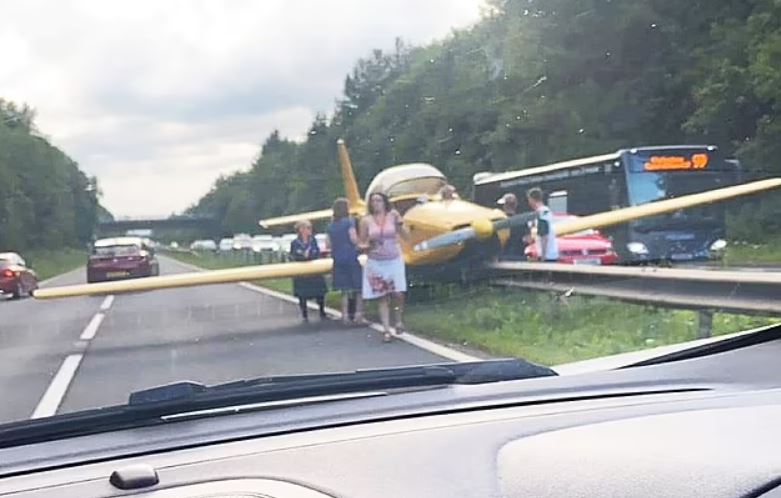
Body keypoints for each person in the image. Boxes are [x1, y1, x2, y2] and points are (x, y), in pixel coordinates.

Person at [359, 192, 409, 343]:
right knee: (382, 296)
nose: (376, 203)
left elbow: (406, 236)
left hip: (393, 259)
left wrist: (401, 225)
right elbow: (361, 244)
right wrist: (368, 243)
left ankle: (398, 319)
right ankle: (387, 330)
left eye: (379, 200)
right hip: (376, 262)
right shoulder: (365, 220)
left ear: (384, 202)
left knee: (398, 292)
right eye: (373, 201)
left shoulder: (393, 215)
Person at [326, 197, 367, 326]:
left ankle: (345, 316)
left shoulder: (330, 226)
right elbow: (353, 239)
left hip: (337, 258)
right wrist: (362, 244)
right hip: (350, 256)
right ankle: (358, 316)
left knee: (344, 289)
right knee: (358, 288)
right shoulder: (348, 223)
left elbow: (328, 244)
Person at [290, 220, 328, 323]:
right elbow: (294, 256)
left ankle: (322, 311)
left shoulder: (313, 240)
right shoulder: (295, 243)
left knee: (320, 292)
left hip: (313, 270)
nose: (310, 230)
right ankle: (304, 314)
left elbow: (316, 252)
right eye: (308, 228)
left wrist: (310, 256)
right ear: (301, 230)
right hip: (302, 272)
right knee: (302, 294)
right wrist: (303, 256)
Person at [526, 187, 559, 262]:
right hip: (550, 253)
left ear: (531, 199)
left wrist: (543, 256)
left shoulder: (542, 213)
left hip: (547, 255)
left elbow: (544, 235)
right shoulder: (546, 211)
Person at [497, 193, 529, 261]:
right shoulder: (522, 221)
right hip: (520, 257)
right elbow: (527, 239)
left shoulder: (500, 220)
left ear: (505, 206)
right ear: (516, 205)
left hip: (503, 257)